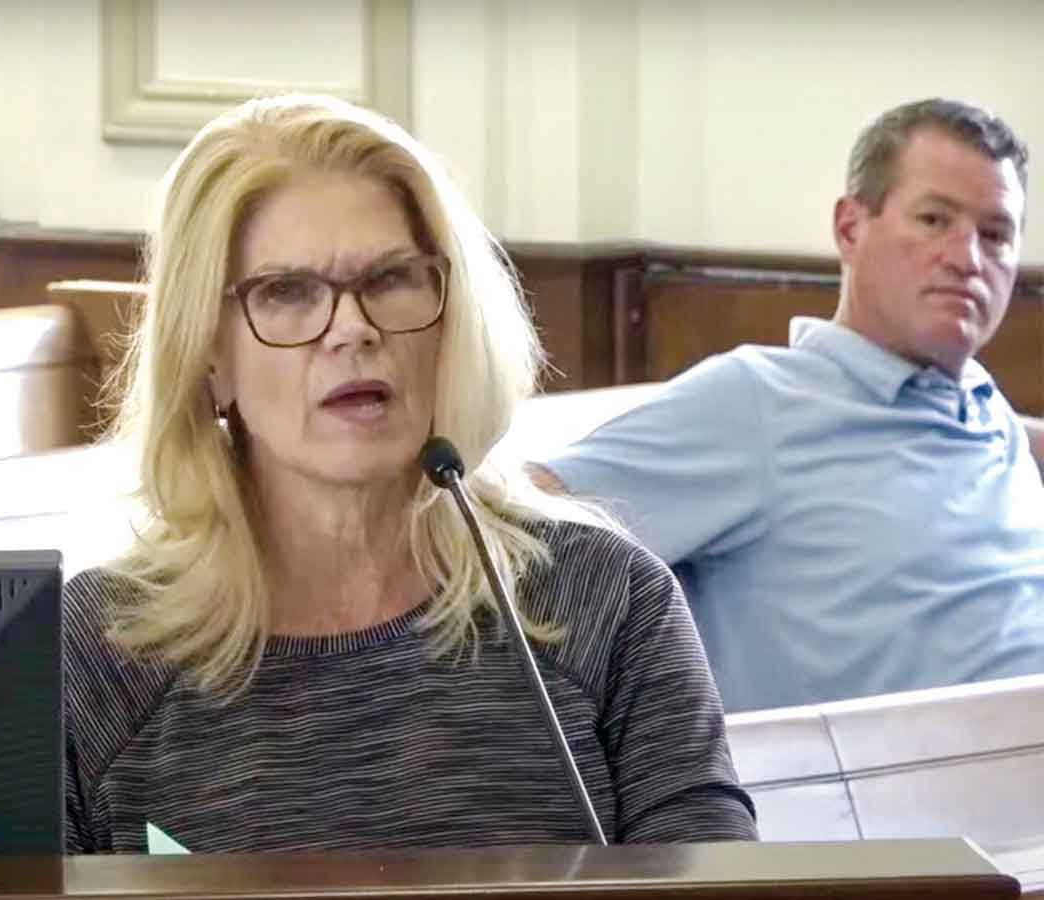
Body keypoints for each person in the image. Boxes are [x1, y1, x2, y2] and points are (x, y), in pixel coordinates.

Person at [62, 94, 757, 853]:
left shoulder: (607, 604)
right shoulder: (98, 653)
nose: (354, 329)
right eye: (286, 293)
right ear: (208, 354)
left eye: (391, 279)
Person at [534, 98, 1044, 714]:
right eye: (935, 220)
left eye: (995, 235)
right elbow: (515, 520)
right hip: (892, 795)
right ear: (851, 228)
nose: (967, 260)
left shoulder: (980, 406)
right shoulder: (759, 402)